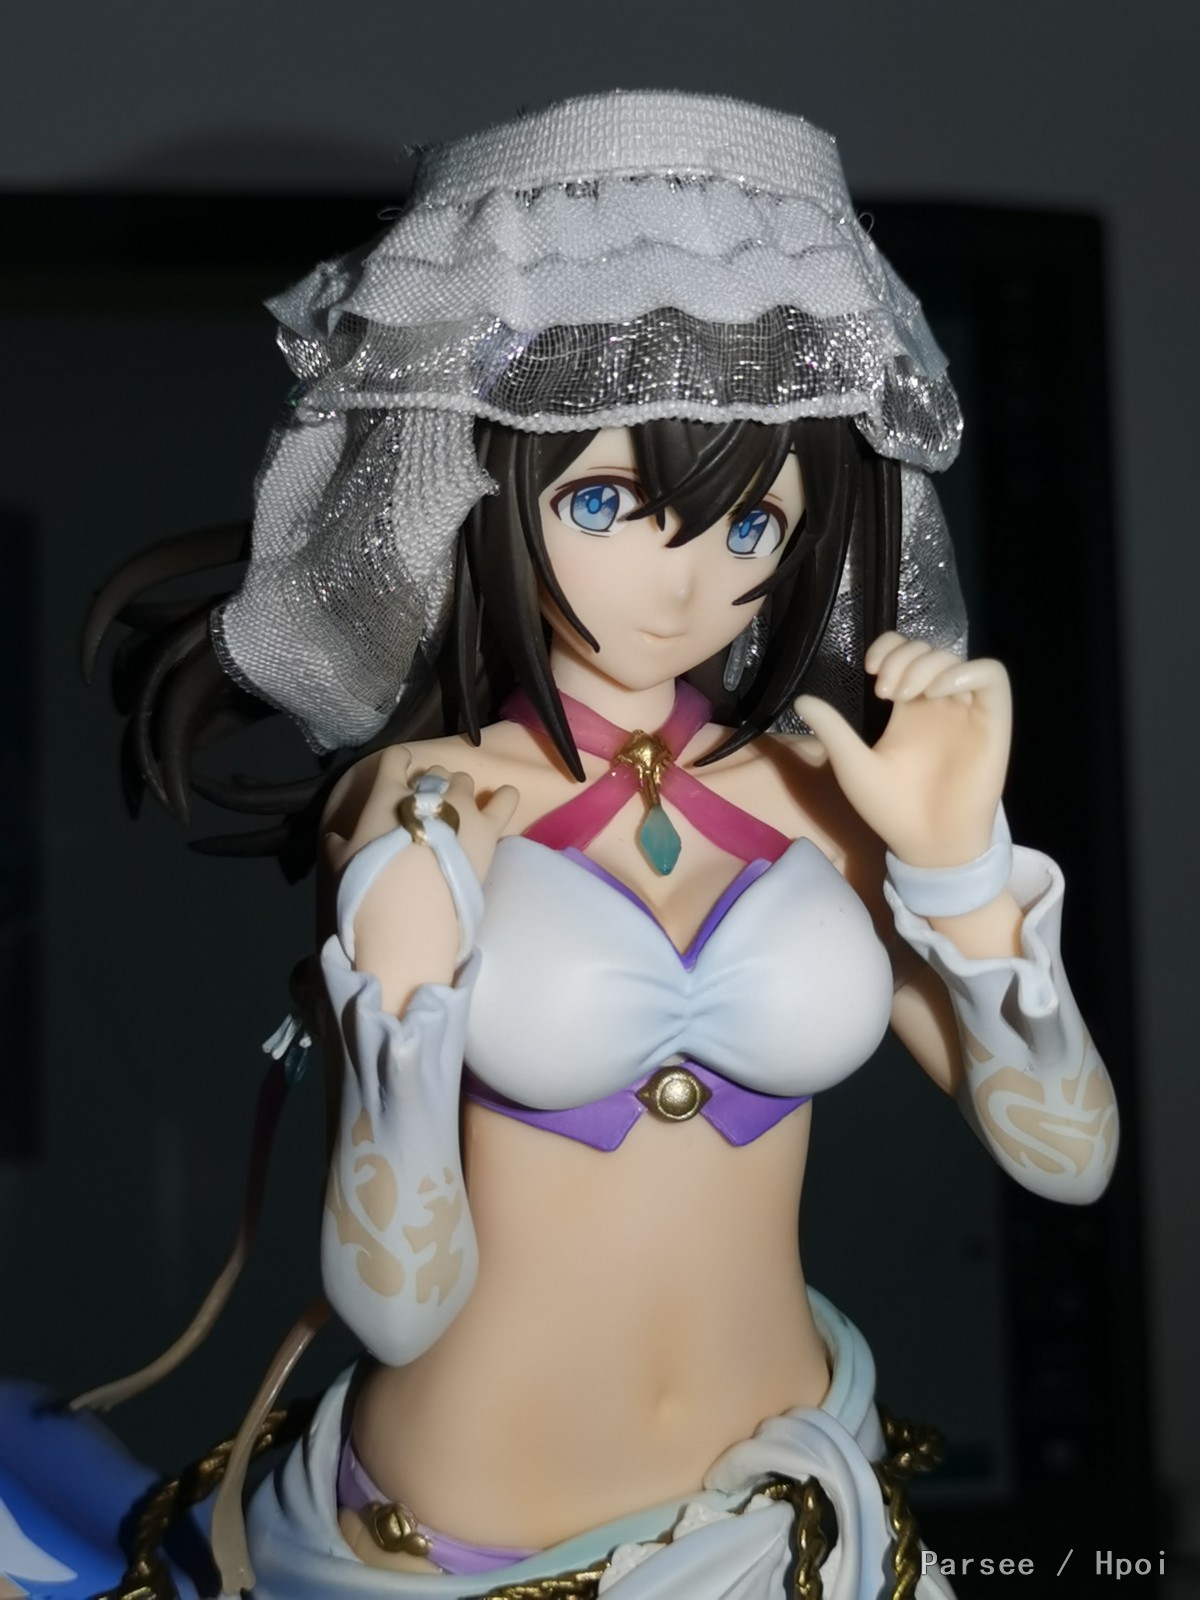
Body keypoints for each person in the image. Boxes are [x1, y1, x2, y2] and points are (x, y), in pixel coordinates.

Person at [1, 90, 1117, 1600]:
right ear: (485, 485)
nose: (684, 585)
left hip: (801, 1517)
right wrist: (405, 989)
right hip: (464, 1549)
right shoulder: (426, 804)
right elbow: (395, 1301)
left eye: (750, 527)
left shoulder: (829, 792)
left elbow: (1067, 1161)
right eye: (608, 500)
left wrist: (961, 870)